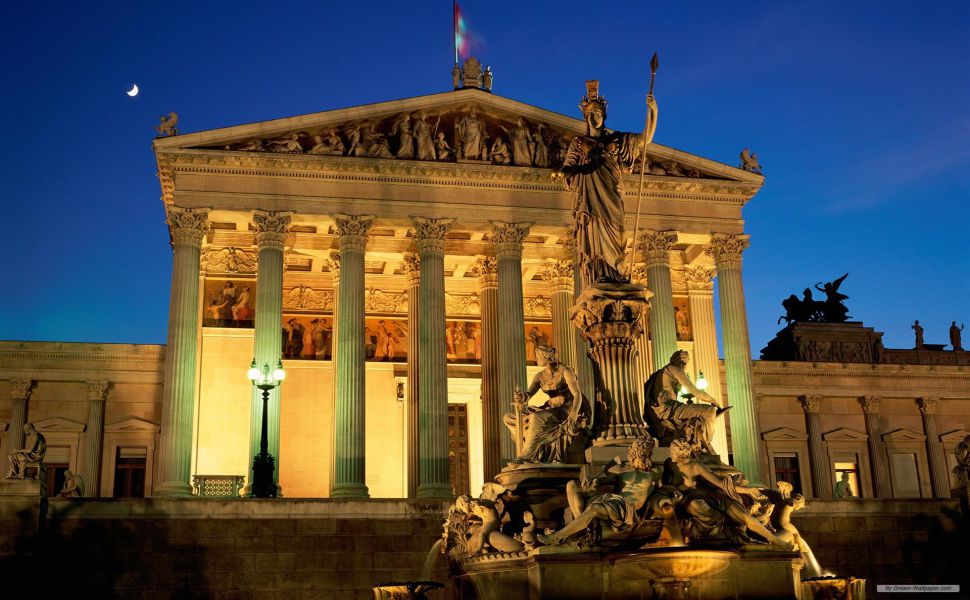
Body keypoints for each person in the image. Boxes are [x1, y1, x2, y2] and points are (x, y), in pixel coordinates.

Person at [553, 80, 657, 287]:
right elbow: (570, 165)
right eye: (590, 114)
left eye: (598, 114)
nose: (594, 118)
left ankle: (616, 274)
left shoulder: (618, 142)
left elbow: (645, 139)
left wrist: (653, 110)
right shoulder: (578, 144)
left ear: (604, 116)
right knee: (593, 238)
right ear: (586, 117)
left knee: (617, 235)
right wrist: (562, 173)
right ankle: (598, 275)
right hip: (591, 201)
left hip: (611, 195)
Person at [665, 438, 791, 550]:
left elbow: (721, 483)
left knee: (746, 518)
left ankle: (776, 541)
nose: (671, 454)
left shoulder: (696, 466)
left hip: (714, 497)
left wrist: (749, 490)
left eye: (673, 452)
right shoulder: (669, 464)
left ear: (681, 453)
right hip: (690, 500)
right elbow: (665, 484)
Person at [538, 438, 660, 545]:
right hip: (614, 501)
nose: (642, 456)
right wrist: (594, 482)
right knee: (572, 485)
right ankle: (580, 526)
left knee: (595, 508)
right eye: (640, 453)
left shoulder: (655, 472)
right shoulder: (621, 468)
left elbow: (659, 489)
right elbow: (601, 481)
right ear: (632, 454)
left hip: (628, 508)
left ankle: (558, 536)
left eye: (645, 453)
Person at [503, 345, 589, 463]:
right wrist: (522, 396)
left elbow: (577, 394)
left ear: (546, 356)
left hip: (566, 409)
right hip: (551, 408)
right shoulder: (539, 376)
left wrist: (573, 413)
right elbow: (529, 395)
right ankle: (531, 436)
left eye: (537, 356)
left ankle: (525, 456)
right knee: (508, 417)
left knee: (536, 417)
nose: (535, 359)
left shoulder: (565, 371)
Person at [643, 350, 728, 453]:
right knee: (709, 410)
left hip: (663, 408)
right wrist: (714, 401)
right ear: (679, 361)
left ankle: (697, 442)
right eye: (684, 362)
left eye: (685, 363)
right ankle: (705, 444)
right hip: (668, 408)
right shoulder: (674, 369)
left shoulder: (664, 371)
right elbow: (696, 392)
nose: (684, 366)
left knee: (694, 418)